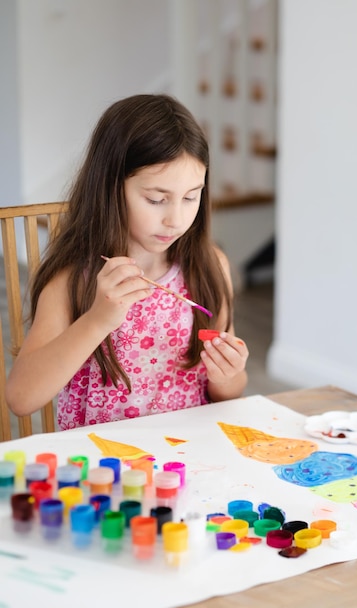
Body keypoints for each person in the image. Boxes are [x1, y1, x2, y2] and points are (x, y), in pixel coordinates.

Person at [6, 94, 249, 429]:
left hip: (186, 457)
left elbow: (228, 393)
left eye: (191, 196)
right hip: (104, 464)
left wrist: (228, 373)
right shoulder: (74, 278)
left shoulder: (209, 266)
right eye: (156, 199)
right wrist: (97, 320)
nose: (176, 219)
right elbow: (21, 398)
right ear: (110, 188)